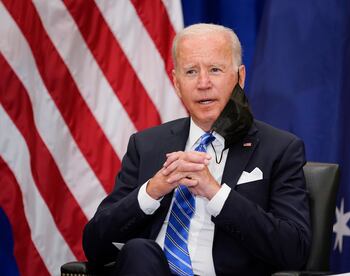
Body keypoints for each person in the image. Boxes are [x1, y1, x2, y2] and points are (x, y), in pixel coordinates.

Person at [83, 23, 311, 276]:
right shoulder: (146, 145)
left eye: (215, 70)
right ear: (177, 83)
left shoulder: (279, 149)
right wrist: (152, 191)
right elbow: (95, 245)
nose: (203, 83)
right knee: (138, 251)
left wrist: (215, 193)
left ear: (240, 77)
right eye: (191, 72)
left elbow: (295, 250)